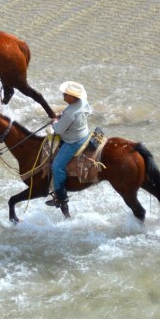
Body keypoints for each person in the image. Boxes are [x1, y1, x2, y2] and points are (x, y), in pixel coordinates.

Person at [46, 81, 92, 217]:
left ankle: (61, 197)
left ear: (73, 97)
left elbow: (59, 130)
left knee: (56, 167)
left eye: (66, 94)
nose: (63, 95)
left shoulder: (71, 113)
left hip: (73, 141)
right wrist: (63, 116)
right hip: (84, 133)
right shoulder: (82, 102)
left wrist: (55, 122)